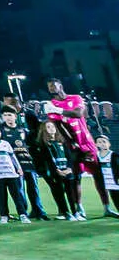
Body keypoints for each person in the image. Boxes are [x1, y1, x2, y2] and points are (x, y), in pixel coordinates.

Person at [44, 77, 112, 218]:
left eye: (53, 85)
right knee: (76, 177)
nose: (51, 88)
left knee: (98, 175)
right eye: (49, 86)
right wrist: (70, 141)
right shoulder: (51, 104)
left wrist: (58, 110)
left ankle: (107, 207)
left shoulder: (74, 98)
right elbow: (58, 126)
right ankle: (79, 208)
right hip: (73, 145)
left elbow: (78, 113)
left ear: (60, 85)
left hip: (87, 142)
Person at [1, 105, 49, 220]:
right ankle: (24, 212)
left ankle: (39, 211)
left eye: (10, 115)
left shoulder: (23, 130)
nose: (8, 118)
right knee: (19, 189)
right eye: (5, 115)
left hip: (28, 163)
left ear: (15, 116)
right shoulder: (1, 131)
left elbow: (32, 146)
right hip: (14, 165)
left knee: (33, 188)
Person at [0, 122, 30, 223]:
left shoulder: (5, 144)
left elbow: (13, 157)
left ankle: (23, 214)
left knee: (17, 196)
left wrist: (19, 168)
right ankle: (4, 215)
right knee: (1, 197)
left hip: (11, 174)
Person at [39, 120, 81, 220]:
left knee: (70, 193)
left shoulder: (62, 142)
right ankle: (66, 212)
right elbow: (48, 160)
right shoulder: (45, 145)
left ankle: (75, 212)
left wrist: (69, 168)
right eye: (48, 127)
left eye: (52, 127)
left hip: (67, 171)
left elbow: (69, 157)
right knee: (60, 193)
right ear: (44, 130)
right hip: (56, 173)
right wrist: (56, 170)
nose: (51, 129)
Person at [97, 135, 119, 207]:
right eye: (99, 142)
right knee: (115, 200)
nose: (102, 144)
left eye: (104, 142)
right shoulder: (96, 156)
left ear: (109, 144)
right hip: (107, 183)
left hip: (116, 182)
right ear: (96, 144)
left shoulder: (114, 155)